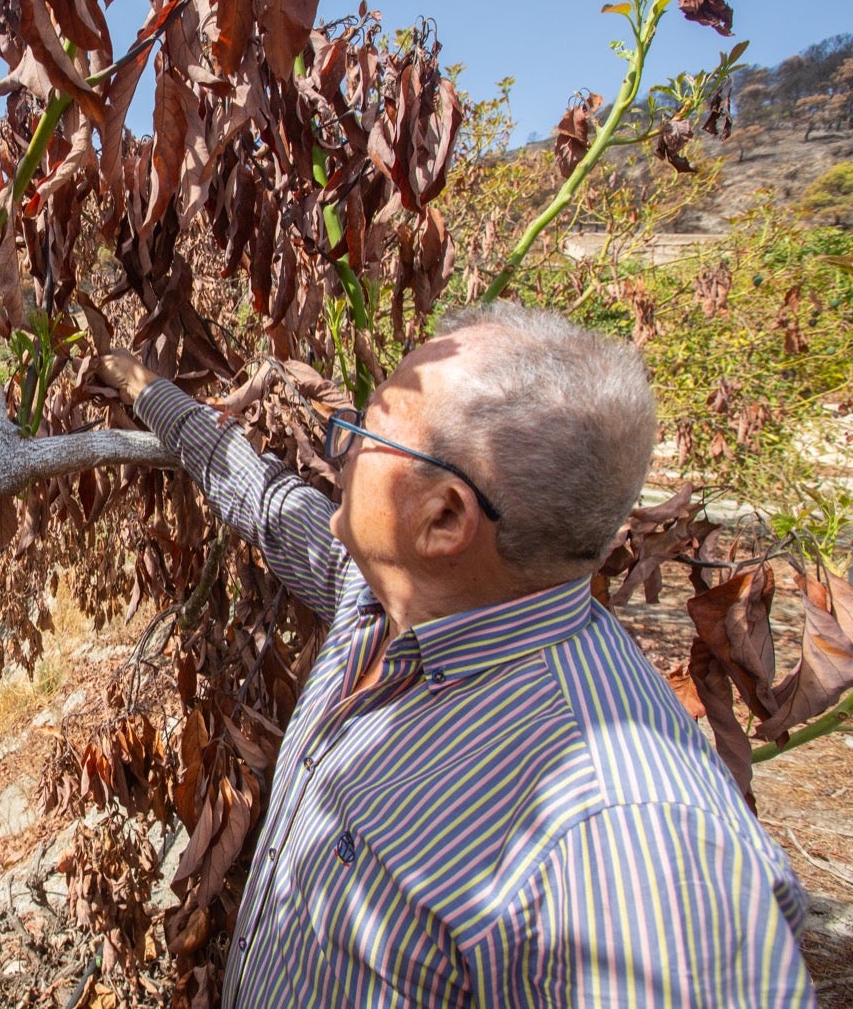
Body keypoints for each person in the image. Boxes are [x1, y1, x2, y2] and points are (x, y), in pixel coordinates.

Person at [96, 302, 816, 1007]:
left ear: (443, 517)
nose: (333, 450)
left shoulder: (626, 835)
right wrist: (148, 392)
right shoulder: (388, 601)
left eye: (361, 434)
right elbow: (265, 501)